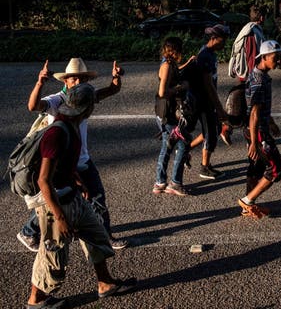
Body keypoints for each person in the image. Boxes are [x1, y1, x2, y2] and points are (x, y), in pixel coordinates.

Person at [25, 83, 136, 309]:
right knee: (52, 254)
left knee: (96, 234)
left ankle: (105, 283)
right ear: (86, 109)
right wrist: (60, 217)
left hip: (73, 196)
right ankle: (35, 301)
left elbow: (63, 164)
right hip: (56, 204)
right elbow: (43, 180)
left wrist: (77, 179)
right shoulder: (57, 132)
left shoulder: (73, 125)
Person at [18, 58, 127, 253]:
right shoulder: (57, 100)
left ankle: (105, 235)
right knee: (57, 201)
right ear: (65, 81)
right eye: (74, 80)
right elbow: (33, 106)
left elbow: (111, 90)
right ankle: (29, 230)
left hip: (83, 159)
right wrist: (40, 83)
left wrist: (116, 77)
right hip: (63, 162)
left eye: (82, 80)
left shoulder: (86, 95)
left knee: (97, 198)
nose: (78, 83)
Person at [237, 40, 281, 219]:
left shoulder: (262, 76)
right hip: (258, 132)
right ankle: (247, 200)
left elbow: (261, 109)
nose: (278, 61)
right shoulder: (258, 80)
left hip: (260, 128)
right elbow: (254, 113)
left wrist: (271, 122)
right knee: (275, 170)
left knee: (256, 167)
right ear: (263, 57)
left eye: (279, 57)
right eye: (275, 58)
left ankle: (248, 204)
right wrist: (255, 143)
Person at [181, 24, 230, 180]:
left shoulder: (211, 53)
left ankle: (186, 150)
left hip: (207, 101)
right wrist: (219, 108)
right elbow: (208, 85)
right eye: (223, 40)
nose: (224, 44)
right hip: (203, 101)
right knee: (212, 133)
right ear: (214, 38)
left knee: (212, 131)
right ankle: (205, 167)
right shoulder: (205, 56)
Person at [222, 5, 266, 145]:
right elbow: (253, 56)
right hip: (249, 75)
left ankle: (235, 131)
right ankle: (235, 132)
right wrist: (255, 75)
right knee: (251, 107)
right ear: (262, 17)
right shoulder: (253, 32)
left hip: (244, 75)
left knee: (243, 106)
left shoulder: (248, 28)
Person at [153, 37, 191, 196]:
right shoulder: (167, 65)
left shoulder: (168, 63)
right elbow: (162, 92)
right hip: (168, 113)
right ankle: (174, 183)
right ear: (175, 51)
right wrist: (181, 87)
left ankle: (160, 182)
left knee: (167, 147)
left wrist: (188, 63)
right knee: (182, 144)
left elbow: (173, 73)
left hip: (164, 112)